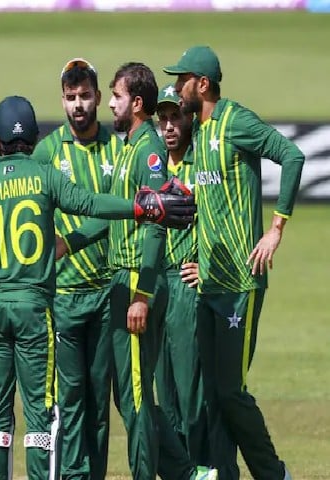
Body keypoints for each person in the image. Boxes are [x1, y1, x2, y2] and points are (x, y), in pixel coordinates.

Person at [0, 95, 197, 480]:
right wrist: (142, 207)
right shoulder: (44, 176)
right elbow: (89, 204)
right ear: (33, 139)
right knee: (40, 416)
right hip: (34, 311)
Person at [59, 63, 217, 480]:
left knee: (136, 398)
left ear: (137, 103)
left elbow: (156, 223)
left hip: (134, 280)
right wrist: (67, 244)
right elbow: (114, 216)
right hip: (122, 279)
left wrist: (143, 294)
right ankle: (188, 473)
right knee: (131, 397)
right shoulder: (128, 147)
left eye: (117, 96)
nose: (110, 104)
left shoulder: (148, 150)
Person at [163, 45, 305, 480]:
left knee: (230, 391)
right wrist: (198, 261)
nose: (178, 87)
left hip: (240, 284)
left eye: (183, 80)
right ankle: (224, 472)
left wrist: (276, 228)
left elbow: (292, 155)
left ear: (202, 84)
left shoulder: (235, 121)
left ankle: (273, 473)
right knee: (211, 393)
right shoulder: (199, 132)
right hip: (209, 284)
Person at [32, 57, 121, 480]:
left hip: (106, 292)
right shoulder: (47, 152)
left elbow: (122, 214)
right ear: (62, 100)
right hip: (63, 296)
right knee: (70, 401)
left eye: (85, 96)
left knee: (99, 403)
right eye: (71, 97)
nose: (78, 105)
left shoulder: (117, 149)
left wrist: (71, 241)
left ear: (99, 97)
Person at [153, 83, 209, 466]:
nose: (170, 126)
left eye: (176, 117)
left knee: (191, 394)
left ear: (188, 118)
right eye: (164, 119)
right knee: (165, 393)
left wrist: (207, 265)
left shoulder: (200, 165)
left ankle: (203, 466)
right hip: (156, 284)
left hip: (187, 285)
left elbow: (220, 221)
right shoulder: (152, 164)